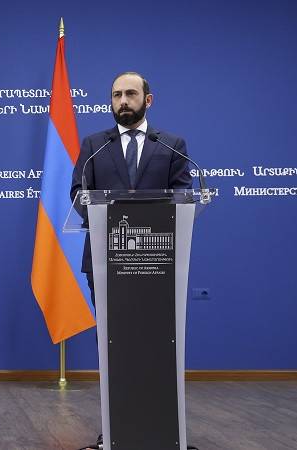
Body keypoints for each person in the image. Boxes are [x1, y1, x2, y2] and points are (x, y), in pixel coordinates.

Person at [69, 72, 192, 449]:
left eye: (131, 94)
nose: (123, 100)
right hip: (107, 264)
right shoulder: (93, 145)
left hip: (158, 264)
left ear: (147, 100)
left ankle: (157, 425)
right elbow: (78, 194)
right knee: (113, 344)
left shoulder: (171, 146)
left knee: (155, 343)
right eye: (117, 95)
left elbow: (184, 194)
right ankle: (116, 426)